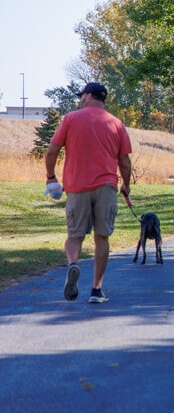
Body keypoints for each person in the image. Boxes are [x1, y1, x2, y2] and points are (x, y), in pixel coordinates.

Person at [45, 82, 133, 304]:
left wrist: (51, 177)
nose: (80, 98)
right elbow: (124, 160)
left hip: (77, 187)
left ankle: (73, 263)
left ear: (89, 97)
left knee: (75, 236)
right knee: (101, 237)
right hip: (106, 187)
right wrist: (126, 185)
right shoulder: (116, 124)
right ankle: (96, 290)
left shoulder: (71, 119)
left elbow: (52, 150)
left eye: (81, 95)